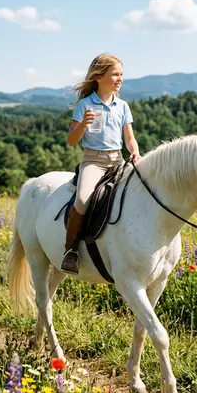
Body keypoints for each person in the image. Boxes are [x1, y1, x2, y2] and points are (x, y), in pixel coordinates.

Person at [61, 53, 141, 275]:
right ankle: (70, 250)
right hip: (93, 162)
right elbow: (70, 140)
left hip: (118, 160)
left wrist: (135, 152)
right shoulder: (85, 105)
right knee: (84, 199)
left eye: (121, 74)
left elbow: (129, 138)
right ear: (98, 77)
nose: (119, 78)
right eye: (115, 74)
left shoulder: (122, 106)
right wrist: (82, 126)